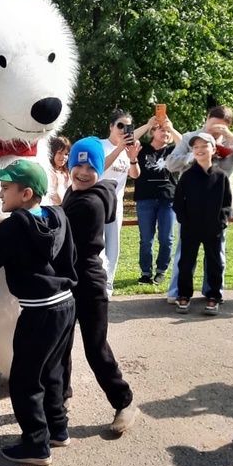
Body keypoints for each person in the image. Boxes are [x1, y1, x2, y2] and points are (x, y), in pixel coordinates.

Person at [0, 159, 77, 466]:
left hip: (39, 311)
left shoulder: (13, 227)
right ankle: (58, 429)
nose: (0, 195)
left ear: (25, 194)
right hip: (66, 303)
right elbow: (71, 257)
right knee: (53, 371)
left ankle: (36, 445)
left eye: (5, 188)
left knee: (25, 379)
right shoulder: (57, 215)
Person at [62, 137, 138, 434]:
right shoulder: (85, 189)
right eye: (77, 164)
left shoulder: (90, 203)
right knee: (61, 344)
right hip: (69, 280)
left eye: (90, 165)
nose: (82, 171)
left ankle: (125, 401)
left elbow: (55, 232)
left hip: (89, 283)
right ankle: (61, 396)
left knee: (95, 348)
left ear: (99, 169)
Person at [165, 105, 233, 303]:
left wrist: (231, 137)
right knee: (184, 253)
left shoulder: (232, 142)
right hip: (191, 207)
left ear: (228, 126)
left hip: (218, 208)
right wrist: (196, 154)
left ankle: (213, 293)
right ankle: (177, 292)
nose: (214, 131)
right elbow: (171, 163)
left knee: (216, 254)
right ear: (206, 119)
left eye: (220, 128)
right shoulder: (190, 138)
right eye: (212, 125)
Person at [173, 133, 231, 316]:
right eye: (195, 147)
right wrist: (184, 220)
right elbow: (178, 203)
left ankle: (213, 296)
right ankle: (184, 295)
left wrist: (221, 222)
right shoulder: (187, 176)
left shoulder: (221, 176)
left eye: (203, 146)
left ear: (213, 150)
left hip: (213, 228)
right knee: (186, 262)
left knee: (214, 262)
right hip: (191, 228)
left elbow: (227, 203)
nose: (199, 150)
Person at [132, 115, 182, 284]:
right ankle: (146, 272)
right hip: (145, 200)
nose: (166, 133)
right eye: (162, 130)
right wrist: (147, 124)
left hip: (168, 200)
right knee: (146, 239)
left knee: (166, 239)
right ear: (153, 132)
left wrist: (172, 127)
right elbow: (127, 138)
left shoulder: (173, 150)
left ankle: (161, 270)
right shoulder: (142, 148)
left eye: (168, 131)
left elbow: (186, 145)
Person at [100, 109, 141, 296]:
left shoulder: (128, 150)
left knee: (113, 245)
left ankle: (108, 283)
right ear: (111, 126)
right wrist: (119, 148)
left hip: (116, 205)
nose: (123, 129)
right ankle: (96, 281)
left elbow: (135, 174)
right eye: (120, 125)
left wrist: (132, 158)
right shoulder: (100, 146)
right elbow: (99, 167)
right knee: (97, 243)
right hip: (98, 204)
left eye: (127, 126)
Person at [47, 135, 71, 205]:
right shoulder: (49, 172)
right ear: (52, 153)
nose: (63, 157)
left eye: (66, 154)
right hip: (54, 210)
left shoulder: (67, 172)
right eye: (60, 153)